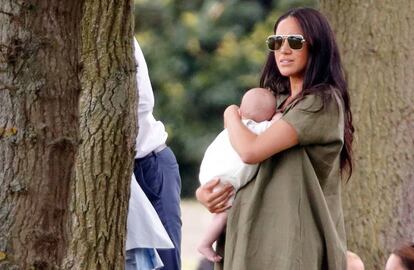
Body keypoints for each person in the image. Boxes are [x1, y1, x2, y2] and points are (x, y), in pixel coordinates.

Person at [196, 7, 354, 270]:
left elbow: (251, 150)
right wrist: (207, 193)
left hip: (291, 247)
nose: (284, 49)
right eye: (276, 42)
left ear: (317, 46)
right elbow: (234, 158)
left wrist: (230, 114)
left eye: (295, 41)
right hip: (247, 238)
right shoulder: (273, 102)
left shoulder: (321, 103)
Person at [198, 87, 281, 262]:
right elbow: (277, 125)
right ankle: (205, 243)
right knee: (224, 213)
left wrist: (230, 112)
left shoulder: (233, 127)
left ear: (241, 111)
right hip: (226, 179)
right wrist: (277, 116)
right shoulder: (259, 129)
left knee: (219, 212)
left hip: (209, 172)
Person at [127, 37, 182, 270]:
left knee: (164, 263)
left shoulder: (116, 35)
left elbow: (142, 101)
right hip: (112, 173)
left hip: (148, 163)